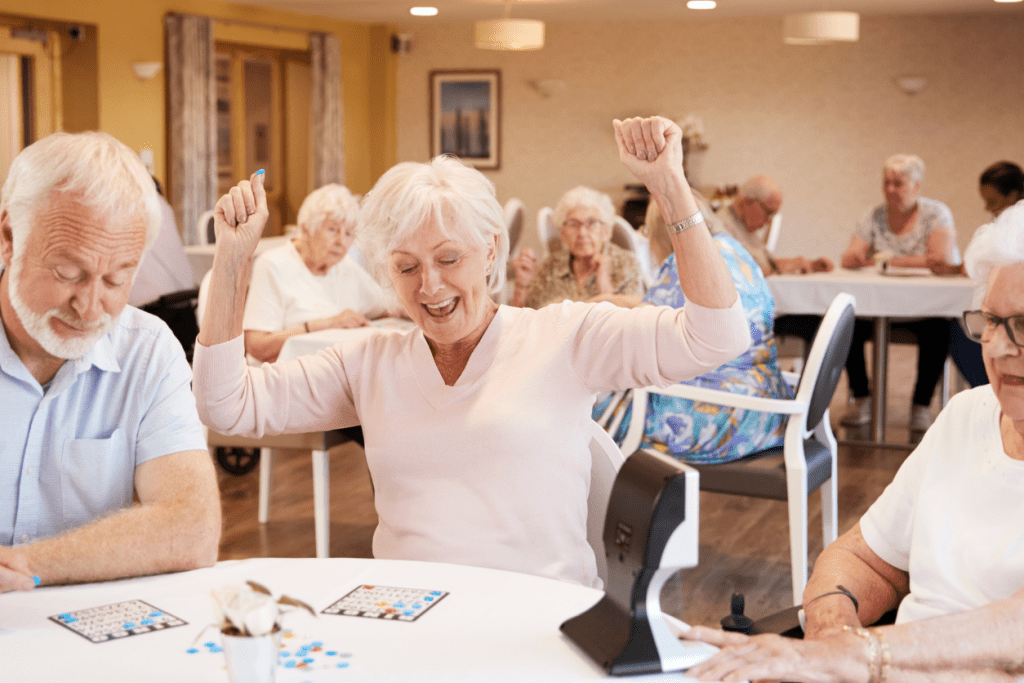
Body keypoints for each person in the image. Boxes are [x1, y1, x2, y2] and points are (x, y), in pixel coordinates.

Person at [192, 116, 750, 589]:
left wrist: (670, 188)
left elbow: (717, 336)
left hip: (539, 621)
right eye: (406, 267)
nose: (429, 286)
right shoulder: (367, 362)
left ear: (490, 251)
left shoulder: (565, 336)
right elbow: (225, 404)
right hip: (409, 618)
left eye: (448, 258)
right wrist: (235, 261)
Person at [681, 207, 1024, 683]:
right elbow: (861, 557)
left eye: (1022, 325)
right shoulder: (967, 416)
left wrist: (858, 655)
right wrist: (831, 635)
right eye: (991, 320)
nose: (999, 346)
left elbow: (1014, 630)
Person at [0, 132, 220, 594]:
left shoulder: (145, 348)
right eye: (67, 273)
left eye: (117, 279)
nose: (90, 307)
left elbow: (193, 528)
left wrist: (22, 566)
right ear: (8, 237)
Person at [593, 200, 792, 463]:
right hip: (766, 407)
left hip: (723, 418)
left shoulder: (684, 261)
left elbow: (652, 336)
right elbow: (680, 305)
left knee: (588, 405)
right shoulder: (732, 250)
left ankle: (602, 499)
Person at [839, 154, 960, 433]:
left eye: (899, 183)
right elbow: (850, 256)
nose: (891, 189)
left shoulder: (936, 213)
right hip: (879, 308)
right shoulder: (872, 215)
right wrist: (860, 257)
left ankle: (920, 405)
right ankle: (862, 397)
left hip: (923, 310)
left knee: (939, 329)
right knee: (845, 325)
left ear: (917, 186)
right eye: (887, 183)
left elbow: (939, 258)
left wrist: (882, 261)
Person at [242, 183, 388, 363]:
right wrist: (327, 324)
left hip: (336, 375)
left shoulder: (345, 267)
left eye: (349, 233)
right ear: (305, 228)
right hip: (283, 379)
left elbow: (387, 306)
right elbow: (257, 347)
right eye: (332, 230)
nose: (341, 241)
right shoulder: (273, 265)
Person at [941, 161, 1023, 388]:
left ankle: (989, 387)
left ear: (1013, 195)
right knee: (959, 329)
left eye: (992, 202)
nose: (987, 208)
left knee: (964, 337)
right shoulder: (999, 225)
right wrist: (955, 269)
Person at [509, 186, 645, 309]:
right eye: (573, 224)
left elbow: (627, 324)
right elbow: (522, 319)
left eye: (591, 223)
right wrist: (522, 285)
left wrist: (605, 287)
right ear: (562, 233)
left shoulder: (627, 265)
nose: (582, 233)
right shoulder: (551, 266)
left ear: (606, 232)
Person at [714, 175, 833, 277]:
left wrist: (810, 264)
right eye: (769, 212)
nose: (769, 221)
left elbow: (769, 264)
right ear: (749, 202)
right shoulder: (720, 227)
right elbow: (738, 273)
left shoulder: (747, 228)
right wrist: (779, 269)